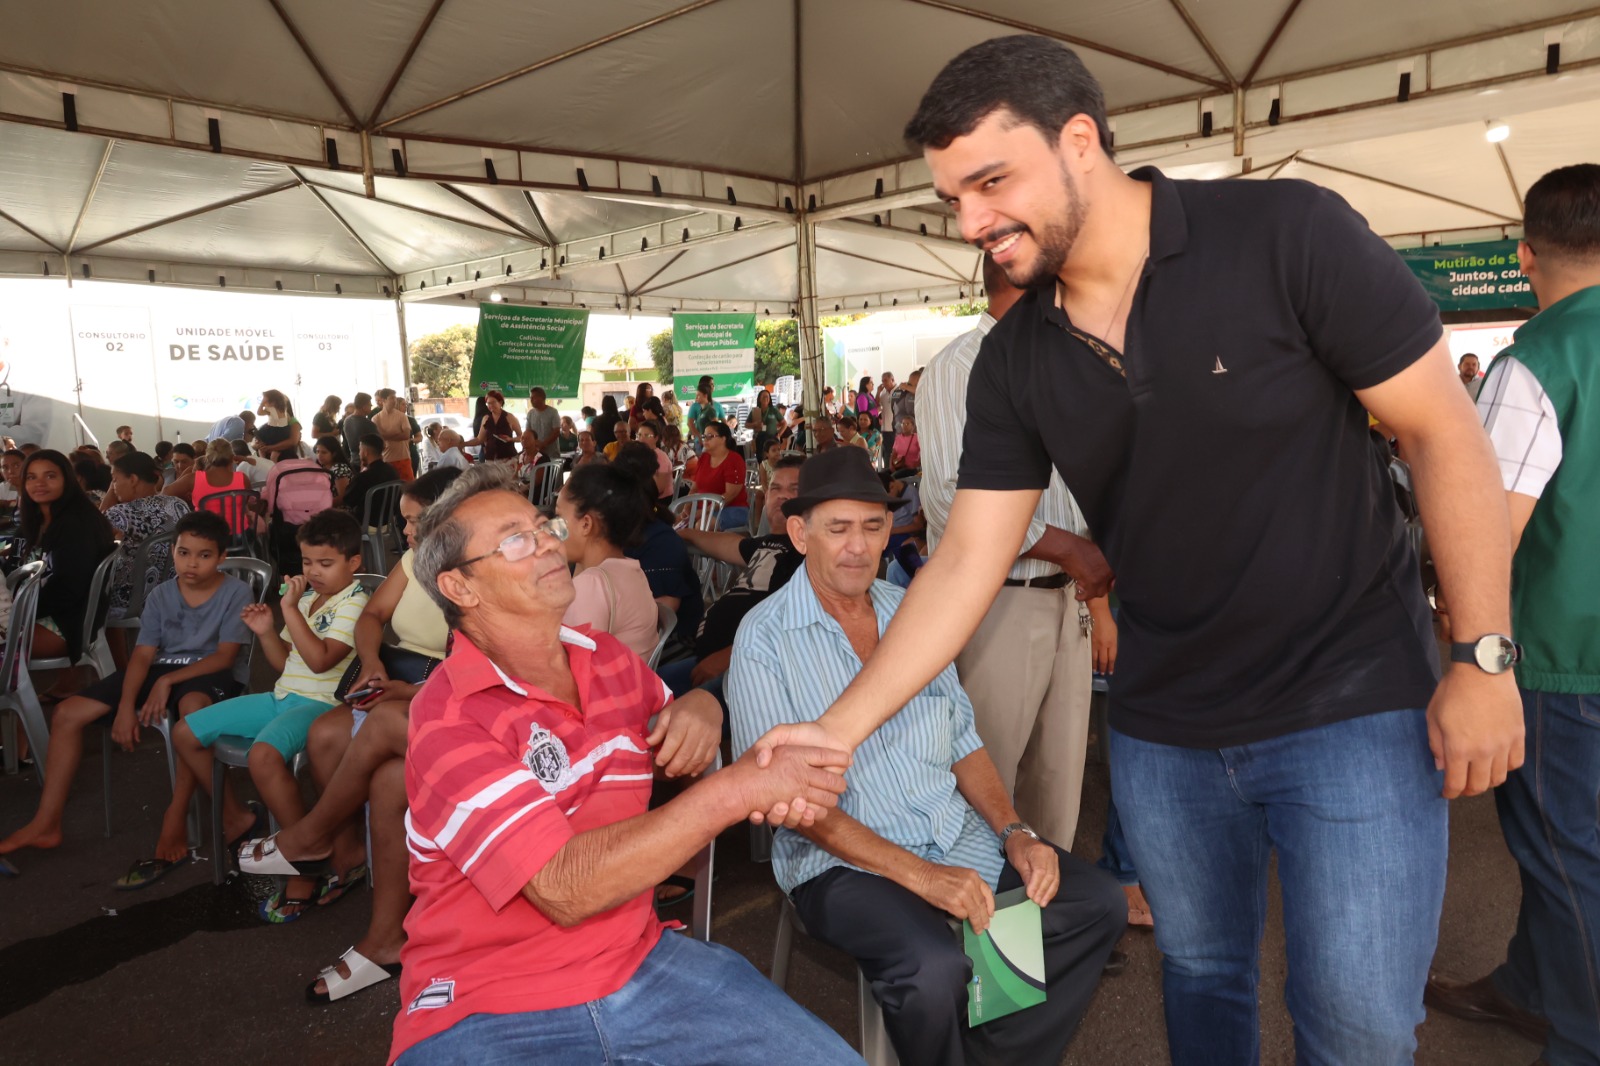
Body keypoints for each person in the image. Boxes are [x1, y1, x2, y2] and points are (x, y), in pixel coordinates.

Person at [746, 35, 1522, 1066]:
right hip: (1166, 725)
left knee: (1358, 1018)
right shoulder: (1015, 359)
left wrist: (1482, 658)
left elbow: (1443, 434)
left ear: (1080, 141)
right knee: (1201, 978)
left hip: (1353, 703)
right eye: (952, 200)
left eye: (990, 182)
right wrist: (833, 734)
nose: (971, 223)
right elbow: (967, 560)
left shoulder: (1284, 233)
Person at [387, 464, 853, 1066]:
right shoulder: (450, 714)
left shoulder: (606, 659)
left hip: (641, 960)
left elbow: (674, 756)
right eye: (516, 540)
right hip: (488, 998)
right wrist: (739, 788)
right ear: (460, 588)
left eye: (544, 526)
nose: (548, 542)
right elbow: (564, 888)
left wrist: (701, 707)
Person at [728, 446, 1125, 1066]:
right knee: (933, 969)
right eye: (838, 528)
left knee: (1096, 904)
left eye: (872, 526)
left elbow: (963, 741)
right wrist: (919, 876)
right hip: (843, 864)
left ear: (890, 528)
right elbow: (794, 806)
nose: (858, 546)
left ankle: (989, 1055)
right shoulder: (763, 638)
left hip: (951, 833)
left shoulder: (912, 613)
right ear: (800, 534)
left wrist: (1015, 831)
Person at [1425, 164, 1600, 1066]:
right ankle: (1529, 986)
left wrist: (1470, 659)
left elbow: (1487, 533)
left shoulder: (1536, 359)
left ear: (1524, 254)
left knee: (1573, 862)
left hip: (1565, 660)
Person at [238, 469, 461, 1001]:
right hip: (404, 676)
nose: (405, 532)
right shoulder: (414, 560)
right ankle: (350, 858)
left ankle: (312, 838)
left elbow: (478, 665)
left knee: (381, 743)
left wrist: (406, 690)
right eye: (405, 520)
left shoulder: (474, 572)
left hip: (448, 691)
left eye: (416, 521)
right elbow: (373, 615)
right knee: (327, 737)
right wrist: (372, 664)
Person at [919, 252, 1112, 857]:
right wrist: (1069, 548)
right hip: (998, 602)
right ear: (1031, 286)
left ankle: (1049, 909)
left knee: (1057, 783)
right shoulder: (958, 366)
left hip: (1067, 599)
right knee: (990, 780)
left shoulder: (1058, 362)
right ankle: (986, 910)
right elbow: (950, 499)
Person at [0, 511, 251, 863]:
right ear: (174, 551)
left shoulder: (237, 592)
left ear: (222, 557)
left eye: (204, 555)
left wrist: (166, 681)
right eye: (183, 552)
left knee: (192, 714)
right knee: (67, 713)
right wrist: (124, 707)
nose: (191, 563)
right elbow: (143, 656)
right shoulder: (161, 595)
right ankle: (46, 822)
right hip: (161, 667)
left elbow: (225, 658)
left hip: (210, 671)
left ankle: (177, 814)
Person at [174, 509, 368, 923]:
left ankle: (304, 856)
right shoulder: (309, 600)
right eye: (307, 562)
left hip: (323, 706)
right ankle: (239, 818)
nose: (313, 572)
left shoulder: (355, 603)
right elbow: (286, 664)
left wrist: (289, 609)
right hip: (283, 697)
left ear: (354, 562)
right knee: (186, 732)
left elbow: (320, 662)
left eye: (326, 563)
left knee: (263, 756)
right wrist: (266, 631)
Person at [661, 456, 805, 702]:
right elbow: (728, 544)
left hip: (744, 670)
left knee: (653, 702)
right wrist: (684, 534)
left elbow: (795, 627)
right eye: (775, 488)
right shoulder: (766, 544)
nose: (782, 496)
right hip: (707, 656)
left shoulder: (805, 551)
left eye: (795, 489)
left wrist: (730, 656)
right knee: (645, 685)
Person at [11, 449, 117, 664]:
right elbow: (13, 568)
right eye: (31, 477)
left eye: (50, 476)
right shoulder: (34, 523)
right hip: (36, 612)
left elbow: (68, 589)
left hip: (64, 622)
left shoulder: (76, 524)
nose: (39, 483)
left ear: (67, 479)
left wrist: (17, 611)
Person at [555, 464, 660, 659]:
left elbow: (571, 664)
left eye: (559, 517)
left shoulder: (591, 585)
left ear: (586, 524)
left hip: (606, 678)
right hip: (635, 676)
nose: (554, 529)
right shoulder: (632, 570)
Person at [613, 442, 703, 646]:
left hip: (667, 643)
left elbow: (663, 612)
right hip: (629, 637)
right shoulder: (617, 530)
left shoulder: (659, 540)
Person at [103, 452, 189, 623]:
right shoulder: (178, 504)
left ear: (133, 479)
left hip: (132, 601)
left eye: (115, 480)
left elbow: (95, 531)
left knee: (95, 596)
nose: (113, 486)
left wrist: (110, 494)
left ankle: (117, 641)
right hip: (176, 592)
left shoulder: (121, 513)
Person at [169, 440, 251, 537]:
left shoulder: (194, 479)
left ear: (207, 458)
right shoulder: (243, 478)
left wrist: (188, 471)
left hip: (206, 537)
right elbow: (245, 502)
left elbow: (165, 493)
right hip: (240, 537)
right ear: (231, 458)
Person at [692, 422, 748, 531]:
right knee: (674, 521)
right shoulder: (704, 458)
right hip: (703, 508)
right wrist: (686, 508)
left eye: (710, 436)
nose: (705, 439)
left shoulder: (734, 460)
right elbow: (694, 488)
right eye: (704, 436)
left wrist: (705, 511)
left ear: (723, 439)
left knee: (702, 525)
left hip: (732, 509)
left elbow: (730, 495)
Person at [343, 434, 400, 520]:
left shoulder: (364, 477)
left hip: (366, 522)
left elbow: (347, 500)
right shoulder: (393, 470)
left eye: (360, 450)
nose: (359, 453)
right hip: (389, 520)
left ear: (365, 452)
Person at [465, 390, 521, 466]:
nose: (490, 405)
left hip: (508, 459)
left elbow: (521, 437)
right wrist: (464, 444)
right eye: (488, 403)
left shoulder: (510, 417)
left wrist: (511, 439)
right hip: (490, 460)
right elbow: (479, 439)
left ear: (500, 402)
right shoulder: (486, 418)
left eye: (493, 402)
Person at [373, 388, 416, 481]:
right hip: (386, 459)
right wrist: (397, 433)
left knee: (408, 485)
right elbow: (379, 437)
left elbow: (406, 435)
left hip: (403, 457)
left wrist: (386, 435)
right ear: (384, 400)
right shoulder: (376, 418)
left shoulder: (402, 416)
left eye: (395, 398)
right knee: (390, 486)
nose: (394, 400)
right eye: (392, 398)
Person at [254, 390, 302, 462]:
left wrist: (271, 448)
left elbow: (292, 441)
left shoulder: (293, 422)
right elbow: (255, 443)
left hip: (286, 458)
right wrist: (259, 445)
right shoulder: (271, 423)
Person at [632, 419, 674, 502]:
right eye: (639, 435)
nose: (641, 439)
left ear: (656, 438)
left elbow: (660, 488)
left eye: (647, 435)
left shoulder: (660, 457)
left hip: (660, 501)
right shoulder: (640, 454)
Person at [523, 386, 561, 465]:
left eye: (533, 398)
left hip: (552, 455)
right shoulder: (530, 413)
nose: (531, 400)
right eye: (530, 398)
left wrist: (544, 444)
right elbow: (528, 432)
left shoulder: (553, 412)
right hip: (535, 456)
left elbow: (556, 432)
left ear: (542, 398)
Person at [314, 435, 354, 502]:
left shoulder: (340, 468)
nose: (319, 455)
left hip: (338, 508)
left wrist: (320, 504)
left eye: (324, 452)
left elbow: (342, 498)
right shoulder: (321, 467)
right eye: (317, 452)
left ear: (334, 454)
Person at [341, 393, 377, 462]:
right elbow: (380, 445)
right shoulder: (368, 424)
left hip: (353, 459)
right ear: (364, 407)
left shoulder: (347, 420)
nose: (371, 408)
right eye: (370, 405)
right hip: (367, 461)